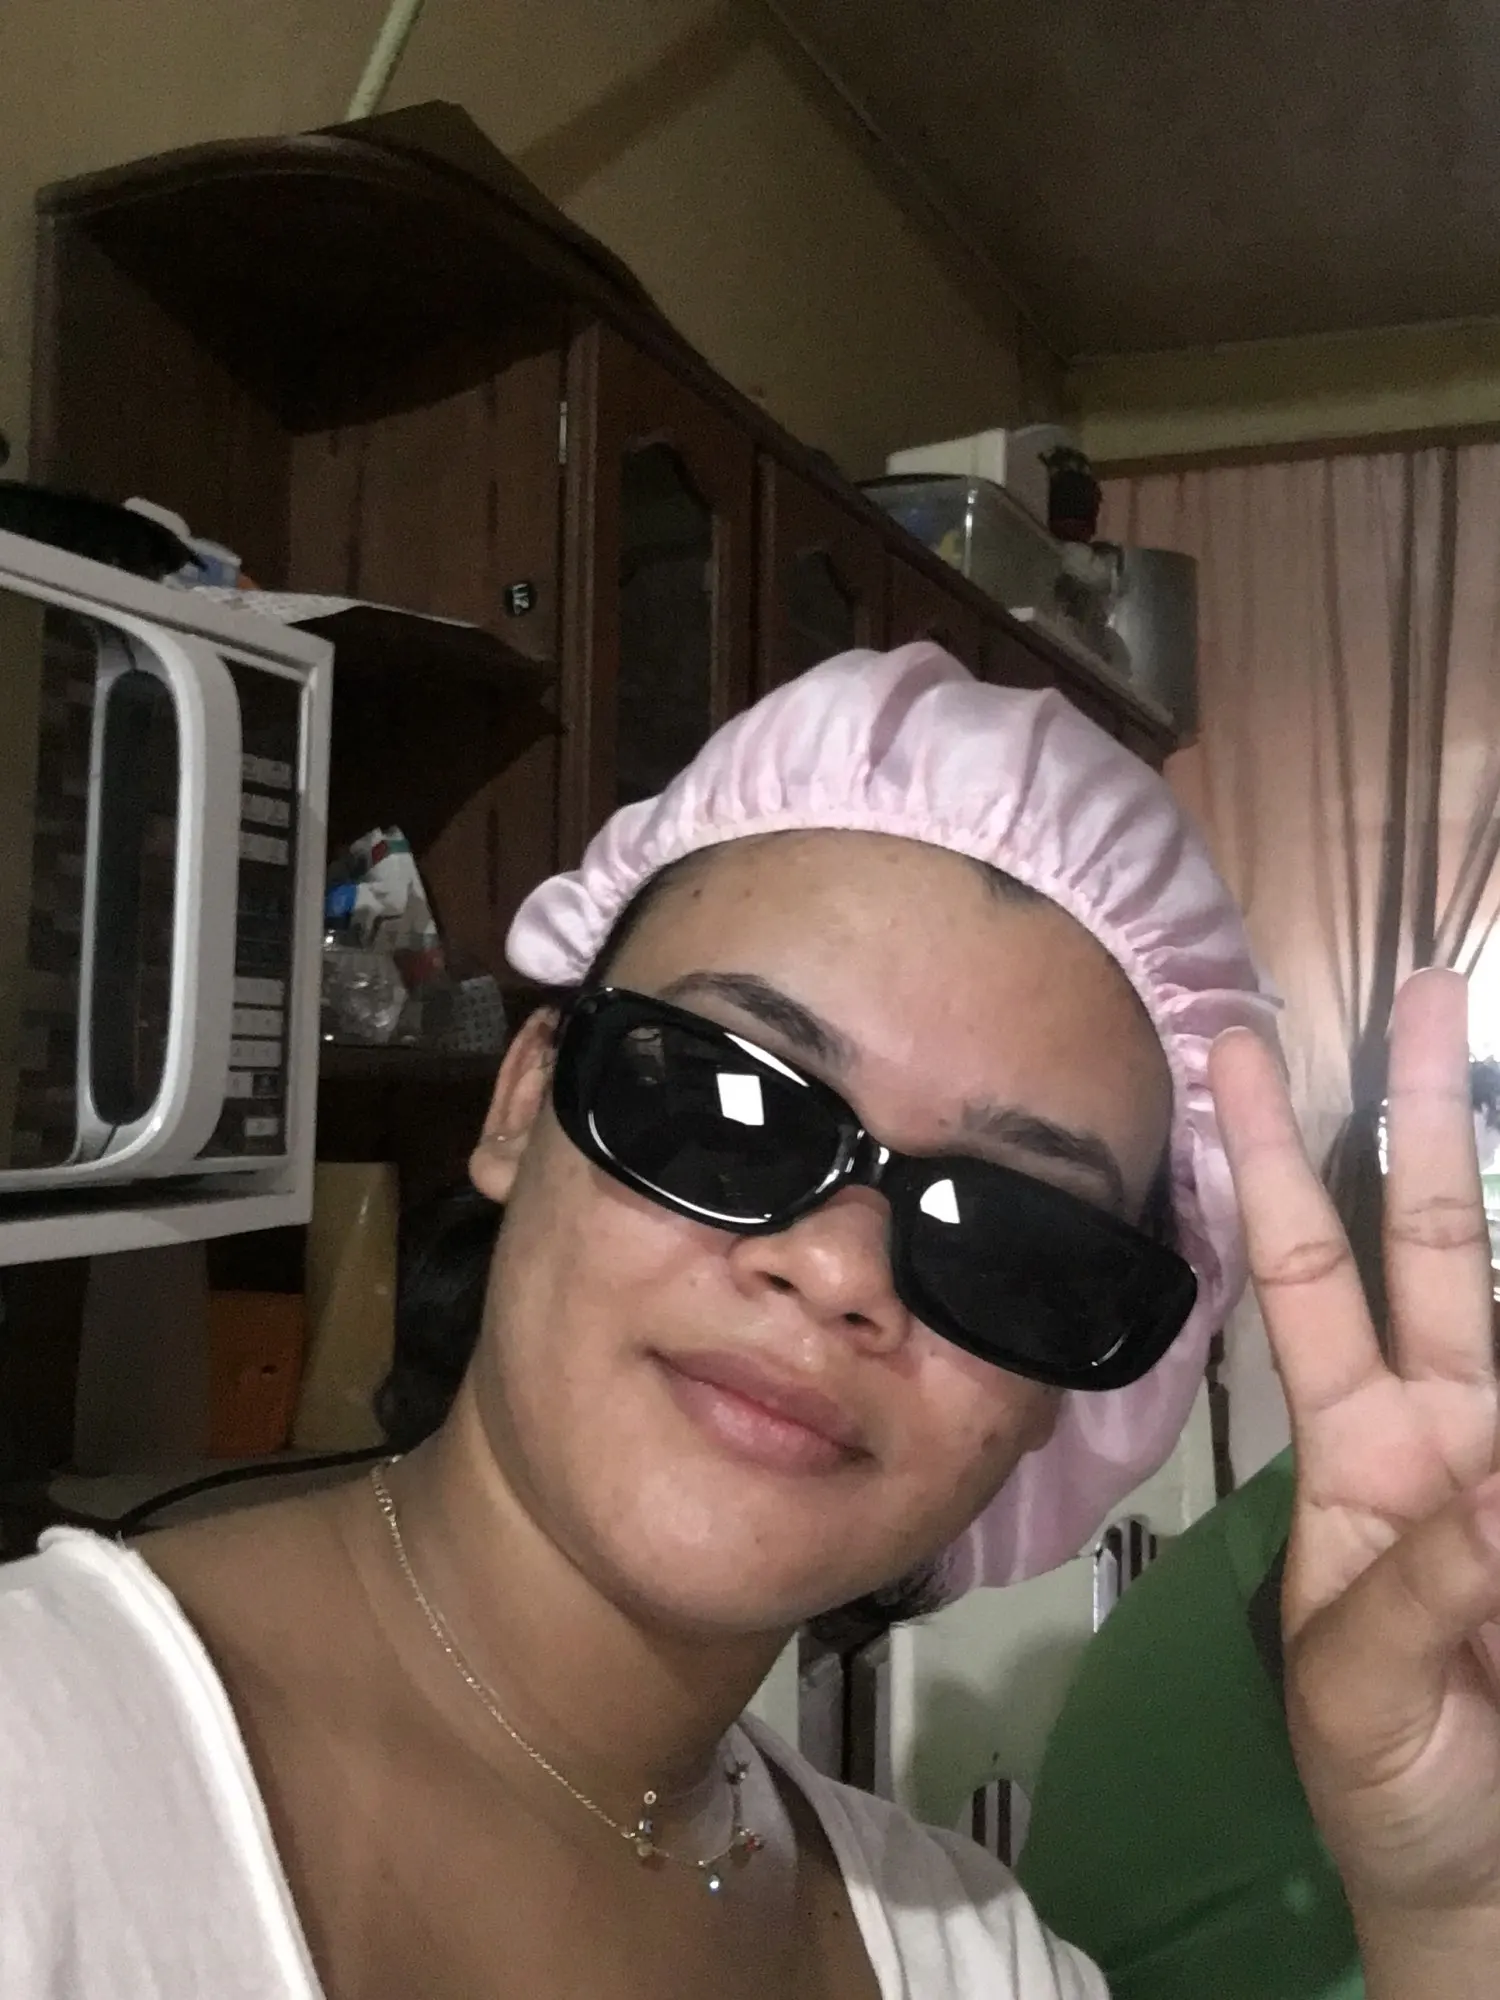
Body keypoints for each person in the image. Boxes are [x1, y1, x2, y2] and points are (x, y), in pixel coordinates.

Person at [1, 644, 1498, 1999]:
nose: (838, 1270)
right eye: (727, 1105)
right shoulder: (39, 1769)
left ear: (1071, 1396)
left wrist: (1451, 1912)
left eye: (1010, 1235)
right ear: (525, 1101)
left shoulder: (971, 1958)